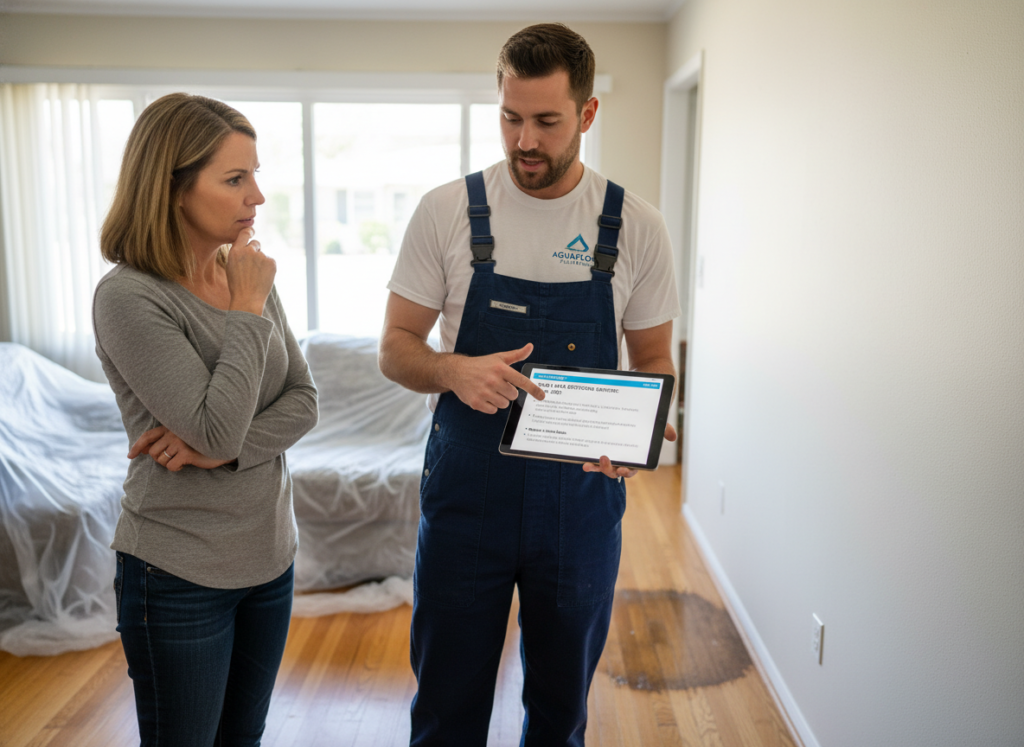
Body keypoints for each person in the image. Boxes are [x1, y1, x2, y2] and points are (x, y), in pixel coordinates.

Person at [379, 23, 681, 747]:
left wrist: (638, 439)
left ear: (586, 114)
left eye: (546, 121)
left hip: (579, 504)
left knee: (558, 712)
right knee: (446, 709)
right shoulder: (446, 211)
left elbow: (655, 362)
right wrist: (451, 369)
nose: (524, 141)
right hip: (465, 501)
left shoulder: (636, 227)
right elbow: (395, 349)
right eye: (511, 117)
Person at [92, 93, 318, 747]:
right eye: (235, 178)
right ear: (172, 187)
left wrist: (224, 452)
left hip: (270, 556)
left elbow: (303, 400)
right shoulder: (129, 296)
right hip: (176, 573)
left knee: (242, 737)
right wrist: (246, 308)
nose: (258, 196)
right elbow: (215, 425)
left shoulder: (243, 271)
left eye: (255, 174)